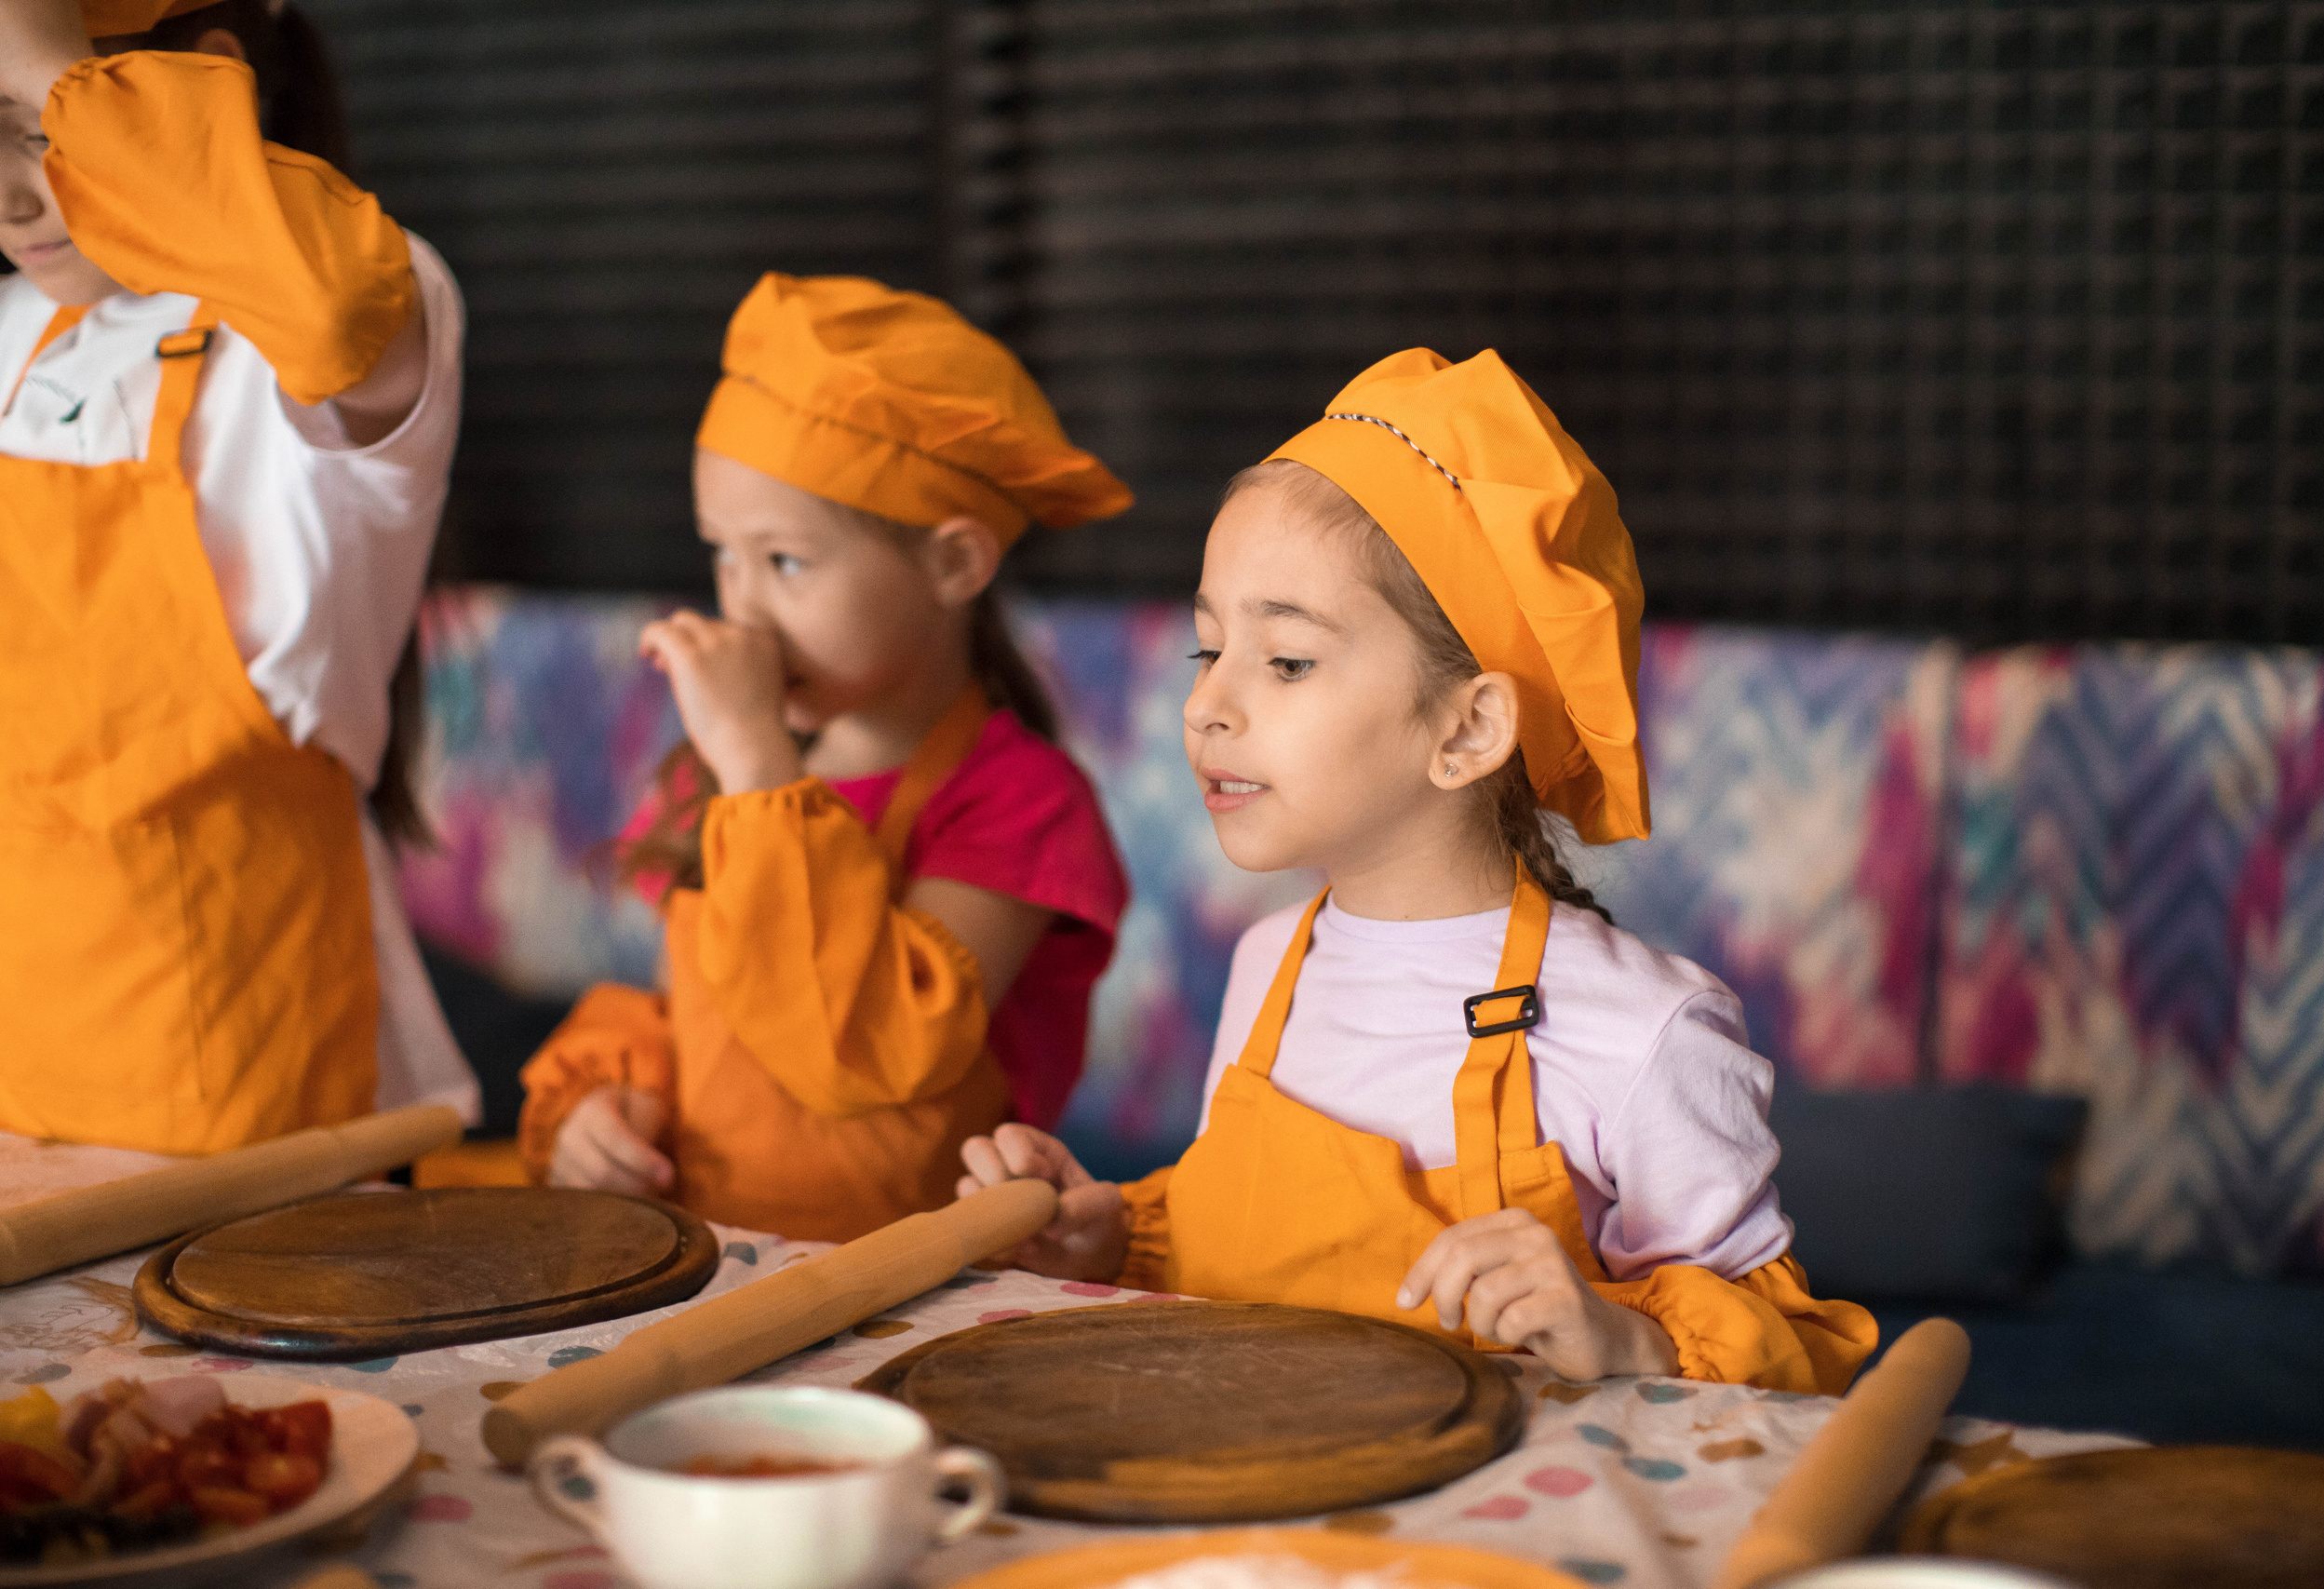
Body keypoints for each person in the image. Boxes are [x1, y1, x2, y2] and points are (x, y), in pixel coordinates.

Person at [957, 349, 1878, 1392]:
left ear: (1469, 725)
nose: (1206, 704)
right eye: (1206, 650)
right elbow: (1233, 1261)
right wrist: (1106, 1238)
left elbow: (1785, 1377)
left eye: (1287, 660)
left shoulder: (1644, 1032)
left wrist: (1625, 1340)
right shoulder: (1269, 966)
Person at [518, 274, 1133, 1242]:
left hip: (908, 1289)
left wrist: (761, 770)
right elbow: (694, 1014)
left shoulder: (1022, 801)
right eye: (723, 555)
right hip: (697, 1261)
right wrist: (603, 1106)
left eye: (786, 562)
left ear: (954, 565)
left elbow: (871, 1049)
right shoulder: (712, 768)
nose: (743, 608)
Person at [0, 0, 477, 1151]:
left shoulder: (339, 309)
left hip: (248, 1067)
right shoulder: (17, 329)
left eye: (37, 129)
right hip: (30, 1059)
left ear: (205, 88)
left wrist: (39, 42)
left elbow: (329, 302)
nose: (11, 197)